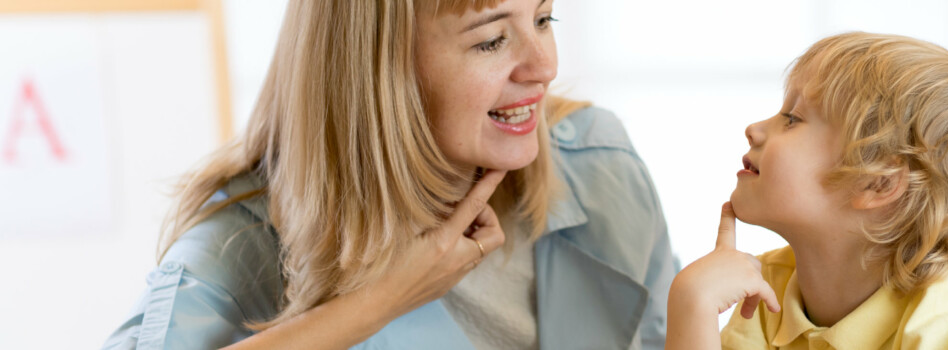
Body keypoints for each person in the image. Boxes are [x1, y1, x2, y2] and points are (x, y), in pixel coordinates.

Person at [102, 0, 676, 349]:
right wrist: (376, 303)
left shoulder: (601, 165)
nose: (546, 66)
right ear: (381, 67)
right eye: (492, 39)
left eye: (545, 18)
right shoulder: (239, 248)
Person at [665, 32, 948, 349]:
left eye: (792, 119)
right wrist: (692, 306)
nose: (753, 129)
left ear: (878, 182)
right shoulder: (765, 287)